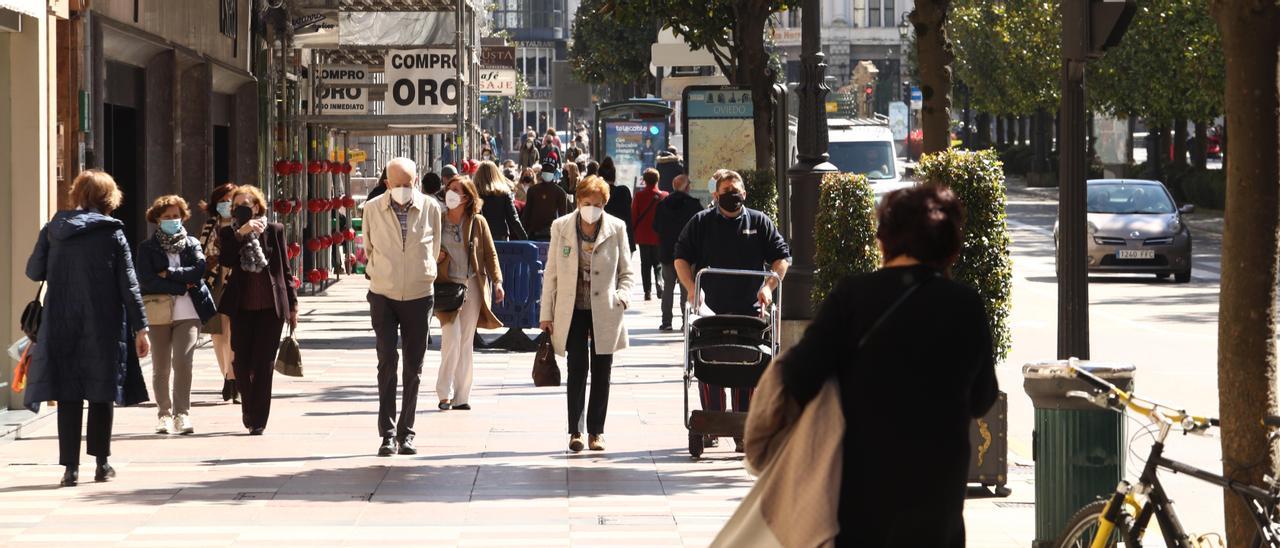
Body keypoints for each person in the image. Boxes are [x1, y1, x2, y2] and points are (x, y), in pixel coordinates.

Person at [781, 185, 997, 545]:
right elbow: (982, 398)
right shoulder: (965, 305)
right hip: (938, 494)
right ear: (951, 247)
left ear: (884, 239)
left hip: (862, 491)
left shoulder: (852, 295)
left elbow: (799, 376)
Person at [25, 169, 151, 487]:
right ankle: (101, 463)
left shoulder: (55, 229)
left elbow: (33, 270)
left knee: (68, 395)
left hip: (60, 322)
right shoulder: (113, 233)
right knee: (100, 393)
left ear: (77, 194)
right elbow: (129, 285)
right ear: (110, 198)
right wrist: (141, 328)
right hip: (103, 324)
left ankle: (70, 469)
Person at [674, 170, 790, 451]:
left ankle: (742, 426)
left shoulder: (759, 222)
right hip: (710, 310)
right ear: (715, 194)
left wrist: (768, 287)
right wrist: (691, 287)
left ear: (744, 194)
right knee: (709, 363)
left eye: (735, 190)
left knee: (748, 366)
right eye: (725, 190)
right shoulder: (701, 222)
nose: (731, 195)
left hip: (749, 311)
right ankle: (711, 423)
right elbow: (681, 257)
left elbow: (781, 258)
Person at [539, 176, 635, 453]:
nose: (591, 208)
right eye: (586, 203)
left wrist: (623, 297)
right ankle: (575, 431)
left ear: (605, 204)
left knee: (602, 370)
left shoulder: (616, 228)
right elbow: (552, 274)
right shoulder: (561, 227)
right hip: (572, 308)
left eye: (597, 204)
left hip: (605, 308)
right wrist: (547, 314)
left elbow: (627, 271)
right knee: (577, 367)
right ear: (577, 201)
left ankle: (597, 432)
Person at [363, 158, 443, 457]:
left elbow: (433, 248)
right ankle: (386, 433)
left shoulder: (431, 208)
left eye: (408, 185)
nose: (403, 190)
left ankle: (406, 432)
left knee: (414, 365)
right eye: (397, 185)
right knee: (386, 361)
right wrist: (382, 270)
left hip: (420, 293)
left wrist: (424, 272)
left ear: (417, 181)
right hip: (383, 293)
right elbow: (368, 247)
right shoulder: (372, 209)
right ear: (387, 184)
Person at [218, 185, 299, 436]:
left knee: (264, 364)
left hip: (271, 306)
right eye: (238, 204)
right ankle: (247, 407)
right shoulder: (228, 232)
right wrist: (241, 234)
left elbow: (285, 270)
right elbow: (226, 260)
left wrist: (293, 305)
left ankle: (258, 418)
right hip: (241, 306)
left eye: (249, 203)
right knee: (241, 361)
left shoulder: (274, 230)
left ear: (258, 206)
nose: (245, 208)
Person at [136, 195, 217, 436]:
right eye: (167, 217)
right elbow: (147, 280)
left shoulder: (192, 243)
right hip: (158, 313)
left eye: (176, 216)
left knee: (183, 362)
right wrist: (181, 286)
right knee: (161, 367)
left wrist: (169, 274)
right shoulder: (147, 248)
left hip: (189, 312)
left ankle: (182, 413)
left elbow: (198, 272)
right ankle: (163, 414)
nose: (173, 220)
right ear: (157, 219)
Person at [435, 176, 505, 411]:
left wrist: (497, 281)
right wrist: (437, 257)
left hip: (472, 286)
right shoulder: (438, 220)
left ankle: (462, 396)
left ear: (467, 198)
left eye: (456, 190)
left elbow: (490, 254)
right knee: (451, 337)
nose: (450, 193)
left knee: (465, 341)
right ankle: (443, 392)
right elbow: (426, 248)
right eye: (449, 189)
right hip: (446, 287)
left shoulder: (477, 222)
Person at [198, 183, 240, 403]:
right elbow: (201, 253)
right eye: (222, 200)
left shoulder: (240, 224)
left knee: (235, 332)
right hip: (214, 282)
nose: (226, 204)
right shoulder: (209, 225)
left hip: (236, 281)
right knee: (218, 334)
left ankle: (234, 379)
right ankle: (226, 374)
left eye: (230, 200)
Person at [653, 174, 703, 331]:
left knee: (668, 286)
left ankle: (666, 321)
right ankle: (685, 321)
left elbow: (656, 226)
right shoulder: (694, 206)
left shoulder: (662, 204)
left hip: (667, 251)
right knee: (686, 286)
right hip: (687, 253)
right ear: (687, 187)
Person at [632, 168, 667, 301]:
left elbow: (634, 216)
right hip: (659, 235)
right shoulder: (664, 196)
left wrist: (633, 233)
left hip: (643, 235)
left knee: (645, 264)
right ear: (657, 180)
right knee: (658, 264)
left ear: (644, 181)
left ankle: (647, 291)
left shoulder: (639, 196)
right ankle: (659, 284)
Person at [474, 160, 528, 241]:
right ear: (496, 174)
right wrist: (525, 240)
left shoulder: (475, 194)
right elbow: (514, 220)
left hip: (480, 237)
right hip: (500, 236)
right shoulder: (504, 193)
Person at [523, 161, 571, 240]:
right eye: (545, 171)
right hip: (536, 232)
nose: (547, 173)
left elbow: (563, 216)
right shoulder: (533, 190)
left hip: (549, 232)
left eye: (549, 171)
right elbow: (527, 212)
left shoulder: (560, 192)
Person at [599, 157, 635, 255]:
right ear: (614, 176)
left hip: (604, 240)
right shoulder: (624, 191)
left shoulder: (598, 194)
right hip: (625, 240)